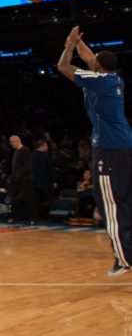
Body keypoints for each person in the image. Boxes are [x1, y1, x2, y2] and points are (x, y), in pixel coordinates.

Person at [58, 25, 132, 277]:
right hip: (124, 146)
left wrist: (69, 46)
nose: (91, 61)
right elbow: (91, 59)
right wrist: (79, 43)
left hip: (110, 149)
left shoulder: (98, 81)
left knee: (110, 204)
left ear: (99, 67)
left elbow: (63, 68)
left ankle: (123, 259)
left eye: (95, 61)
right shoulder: (114, 79)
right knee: (126, 204)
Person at [9, 135, 36, 223]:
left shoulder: (25, 150)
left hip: (26, 180)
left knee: (28, 199)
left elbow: (27, 165)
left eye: (12, 142)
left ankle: (33, 219)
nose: (11, 144)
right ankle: (15, 218)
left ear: (17, 141)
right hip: (17, 180)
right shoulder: (16, 152)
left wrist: (18, 174)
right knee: (15, 199)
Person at [32, 139, 56, 219]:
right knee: (50, 200)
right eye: (46, 146)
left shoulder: (32, 155)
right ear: (42, 146)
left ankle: (36, 216)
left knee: (36, 201)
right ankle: (53, 216)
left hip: (35, 182)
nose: (47, 147)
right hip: (46, 182)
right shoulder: (46, 156)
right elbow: (50, 169)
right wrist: (54, 180)